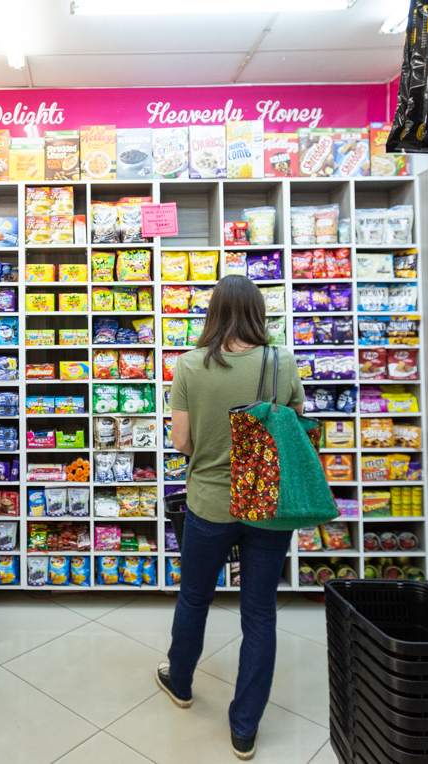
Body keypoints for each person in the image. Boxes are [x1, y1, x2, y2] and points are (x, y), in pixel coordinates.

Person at [154, 275, 304, 761]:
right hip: (267, 504)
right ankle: (244, 728)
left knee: (195, 598)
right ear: (259, 312)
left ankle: (180, 683)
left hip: (210, 503)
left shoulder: (191, 365)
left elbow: (181, 442)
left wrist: (215, 451)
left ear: (213, 313)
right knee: (259, 613)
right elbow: (296, 426)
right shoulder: (281, 361)